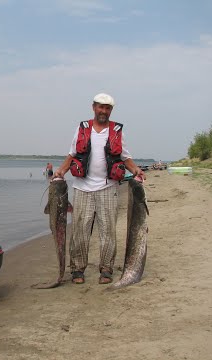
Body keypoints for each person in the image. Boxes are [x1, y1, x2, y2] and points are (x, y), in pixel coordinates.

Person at [53, 93, 145, 285]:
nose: (103, 111)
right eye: (100, 107)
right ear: (93, 107)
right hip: (82, 188)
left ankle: (106, 269)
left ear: (111, 110)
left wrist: (136, 170)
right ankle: (77, 270)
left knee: (108, 231)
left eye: (107, 108)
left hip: (108, 188)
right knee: (80, 230)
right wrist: (61, 171)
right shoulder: (82, 128)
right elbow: (71, 155)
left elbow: (125, 157)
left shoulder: (117, 131)